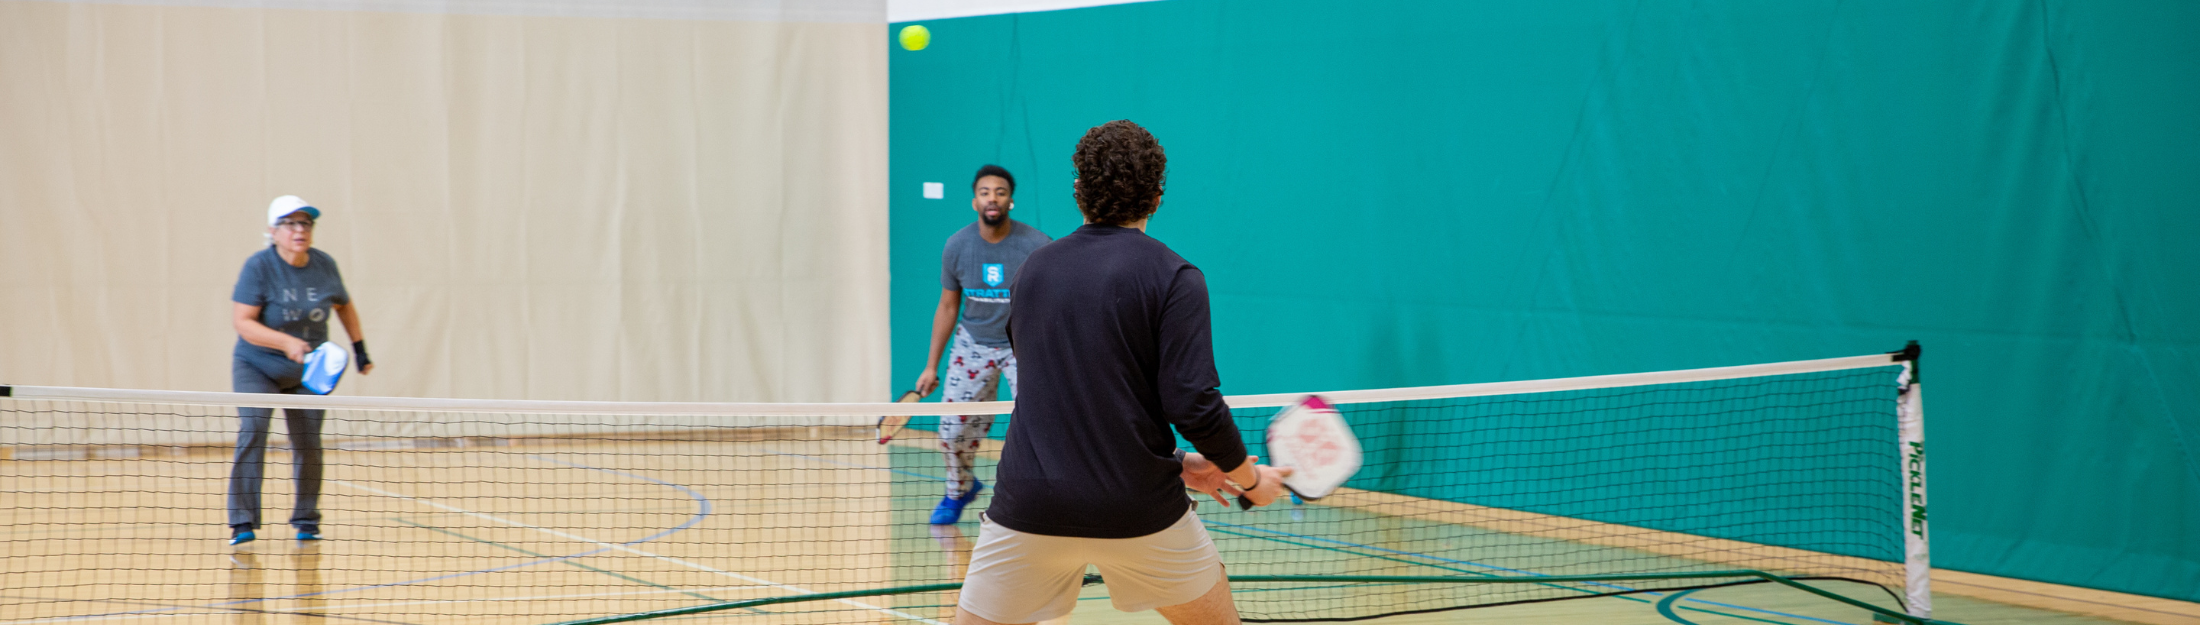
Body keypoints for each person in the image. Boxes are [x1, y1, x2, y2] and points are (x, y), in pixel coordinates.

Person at [955, 120, 1292, 625]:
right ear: (1156, 197)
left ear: (1078, 191)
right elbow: (1193, 403)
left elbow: (1063, 394)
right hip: (1137, 512)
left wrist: (1181, 463)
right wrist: (1249, 479)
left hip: (1030, 506)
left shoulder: (1032, 272)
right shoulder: (1176, 278)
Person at [226, 195, 374, 546]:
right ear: (273, 231)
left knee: (308, 442)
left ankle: (307, 520)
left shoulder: (324, 265)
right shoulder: (259, 267)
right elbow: (243, 323)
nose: (299, 230)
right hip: (257, 365)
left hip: (309, 370)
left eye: (305, 223)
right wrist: (285, 342)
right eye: (290, 223)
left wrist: (359, 350)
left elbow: (344, 305)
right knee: (253, 429)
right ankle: (242, 522)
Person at [913, 165, 1052, 525]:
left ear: (1011, 201)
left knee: (1043, 423)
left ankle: (1041, 500)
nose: (993, 197)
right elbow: (947, 306)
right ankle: (959, 489)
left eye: (1000, 192)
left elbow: (1053, 301)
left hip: (1021, 344)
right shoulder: (957, 246)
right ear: (974, 200)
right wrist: (931, 366)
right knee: (951, 431)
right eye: (986, 192)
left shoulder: (1037, 246)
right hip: (972, 342)